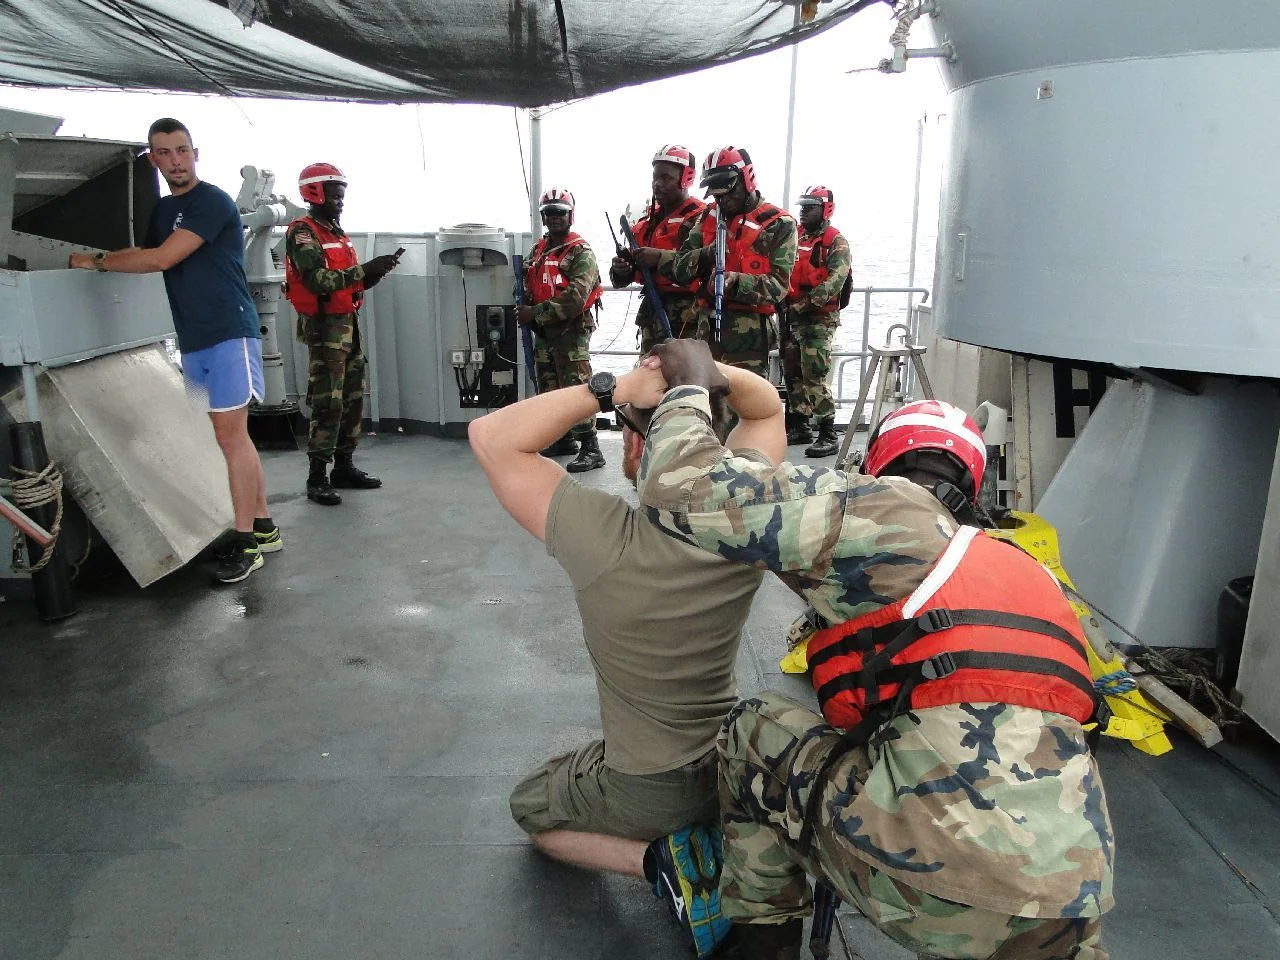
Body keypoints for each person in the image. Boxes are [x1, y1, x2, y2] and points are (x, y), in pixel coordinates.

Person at [635, 340, 1115, 960]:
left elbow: (680, 489)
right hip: (1071, 904)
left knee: (754, 729)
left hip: (929, 886)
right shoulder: (1030, 575)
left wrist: (688, 386)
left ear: (878, 463)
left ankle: (762, 940)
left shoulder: (886, 508)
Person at [467, 359, 785, 959]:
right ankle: (720, 836)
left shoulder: (608, 540)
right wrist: (705, 370)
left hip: (651, 786)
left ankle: (661, 862)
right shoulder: (751, 527)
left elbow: (491, 436)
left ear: (638, 453)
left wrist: (610, 388)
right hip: (730, 759)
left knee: (534, 807)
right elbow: (766, 409)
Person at [68, 117, 280, 584]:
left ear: (195, 153)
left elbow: (161, 259)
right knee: (227, 437)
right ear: (154, 159)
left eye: (182, 150)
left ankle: (247, 543)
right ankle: (262, 526)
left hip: (229, 334)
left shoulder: (213, 201)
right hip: (194, 341)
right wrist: (101, 258)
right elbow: (141, 253)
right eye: (164, 153)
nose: (175, 161)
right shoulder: (164, 211)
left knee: (231, 437)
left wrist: (94, 261)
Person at [284, 163, 400, 506]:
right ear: (315, 192)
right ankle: (316, 476)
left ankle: (344, 466)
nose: (340, 201)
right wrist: (363, 270)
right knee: (327, 401)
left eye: (342, 195)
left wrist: (372, 275)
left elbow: (346, 279)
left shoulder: (335, 232)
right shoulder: (303, 232)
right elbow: (317, 280)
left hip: (348, 323)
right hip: (324, 329)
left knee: (351, 397)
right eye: (335, 194)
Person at [633, 146, 797, 379]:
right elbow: (681, 267)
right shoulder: (710, 215)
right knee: (703, 402)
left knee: (741, 407)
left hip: (749, 339)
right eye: (717, 195)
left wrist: (735, 281)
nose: (722, 200)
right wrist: (706, 255)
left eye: (728, 193)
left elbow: (778, 286)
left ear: (746, 180)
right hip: (704, 331)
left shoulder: (779, 225)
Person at [517, 187, 606, 472]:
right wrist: (525, 309)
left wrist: (536, 313)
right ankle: (563, 438)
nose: (555, 218)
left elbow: (576, 298)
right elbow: (530, 283)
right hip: (544, 333)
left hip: (571, 331)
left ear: (570, 215)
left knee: (577, 387)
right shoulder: (538, 250)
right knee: (549, 388)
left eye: (560, 213)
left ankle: (591, 447)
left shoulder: (581, 252)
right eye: (549, 213)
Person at [608, 145, 707, 354]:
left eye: (666, 178)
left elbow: (702, 263)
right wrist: (622, 270)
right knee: (650, 378)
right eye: (655, 178)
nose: (657, 184)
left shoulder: (702, 218)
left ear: (685, 179)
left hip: (688, 319)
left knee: (687, 380)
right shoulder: (648, 223)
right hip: (653, 316)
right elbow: (627, 276)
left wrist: (659, 258)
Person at [783, 185, 850, 458]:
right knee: (792, 370)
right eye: (802, 207)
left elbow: (837, 279)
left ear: (825, 209)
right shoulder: (796, 236)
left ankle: (827, 431)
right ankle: (800, 424)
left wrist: (807, 304)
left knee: (814, 372)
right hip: (793, 315)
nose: (803, 212)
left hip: (818, 318)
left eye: (809, 207)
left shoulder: (836, 242)